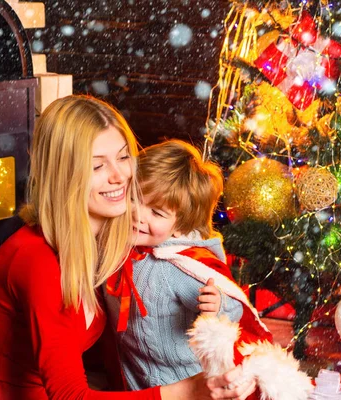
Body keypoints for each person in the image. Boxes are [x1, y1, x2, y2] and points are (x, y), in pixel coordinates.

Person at [0, 95, 257, 400]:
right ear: (65, 176)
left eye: (122, 157)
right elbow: (70, 396)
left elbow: (187, 246)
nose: (119, 176)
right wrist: (189, 389)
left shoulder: (106, 240)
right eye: (97, 166)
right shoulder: (37, 260)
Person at [104, 140, 272, 391]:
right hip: (135, 378)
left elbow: (234, 308)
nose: (139, 215)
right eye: (134, 198)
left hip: (184, 381)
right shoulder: (117, 246)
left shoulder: (179, 266)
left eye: (157, 213)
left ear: (180, 227)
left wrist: (217, 306)